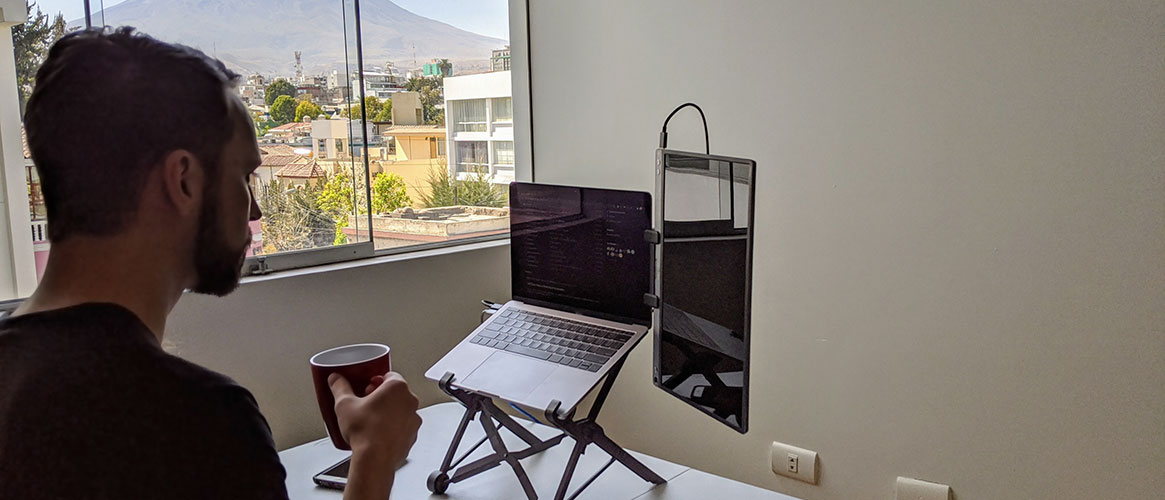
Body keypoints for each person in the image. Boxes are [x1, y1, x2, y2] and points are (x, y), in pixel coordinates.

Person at [0, 27, 421, 499]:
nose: (255, 211)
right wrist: (375, 457)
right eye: (244, 176)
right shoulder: (200, 425)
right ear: (183, 180)